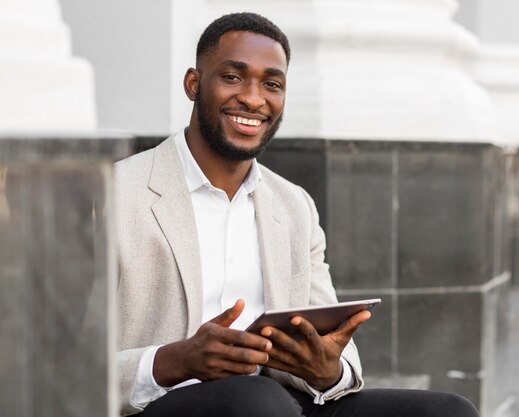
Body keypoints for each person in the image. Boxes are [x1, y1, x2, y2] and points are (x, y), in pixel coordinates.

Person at [116, 12, 480, 417]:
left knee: (449, 411)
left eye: (272, 84)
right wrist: (173, 361)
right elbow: (59, 360)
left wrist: (328, 371)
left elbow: (340, 362)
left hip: (278, 403)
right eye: (233, 77)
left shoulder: (293, 206)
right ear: (193, 84)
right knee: (257, 400)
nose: (254, 99)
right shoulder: (115, 193)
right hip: (160, 406)